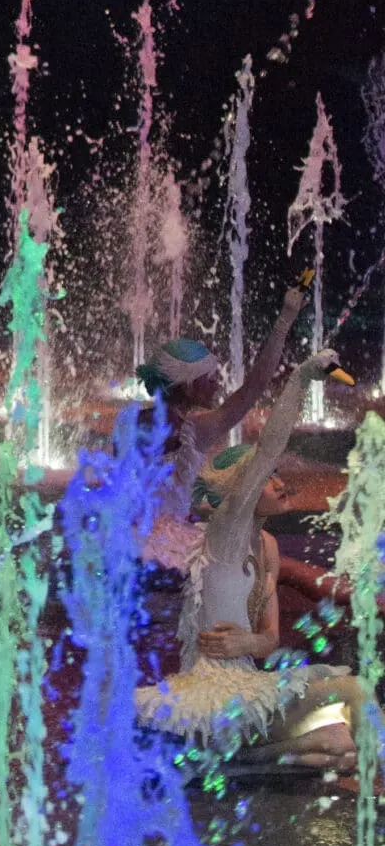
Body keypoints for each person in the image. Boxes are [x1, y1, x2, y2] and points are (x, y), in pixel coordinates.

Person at [135, 347, 375, 776]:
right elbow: (269, 444)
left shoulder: (263, 547)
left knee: (338, 738)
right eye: (267, 478)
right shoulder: (227, 536)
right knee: (356, 690)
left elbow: (268, 638)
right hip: (217, 698)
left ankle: (230, 766)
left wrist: (249, 644)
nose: (280, 483)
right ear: (240, 493)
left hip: (248, 686)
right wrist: (301, 377)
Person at [137, 278, 309, 570]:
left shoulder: (133, 423)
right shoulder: (196, 430)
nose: (217, 383)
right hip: (162, 548)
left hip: (134, 540)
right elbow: (254, 387)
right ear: (189, 386)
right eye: (209, 377)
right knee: (274, 561)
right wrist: (284, 321)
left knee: (266, 552)